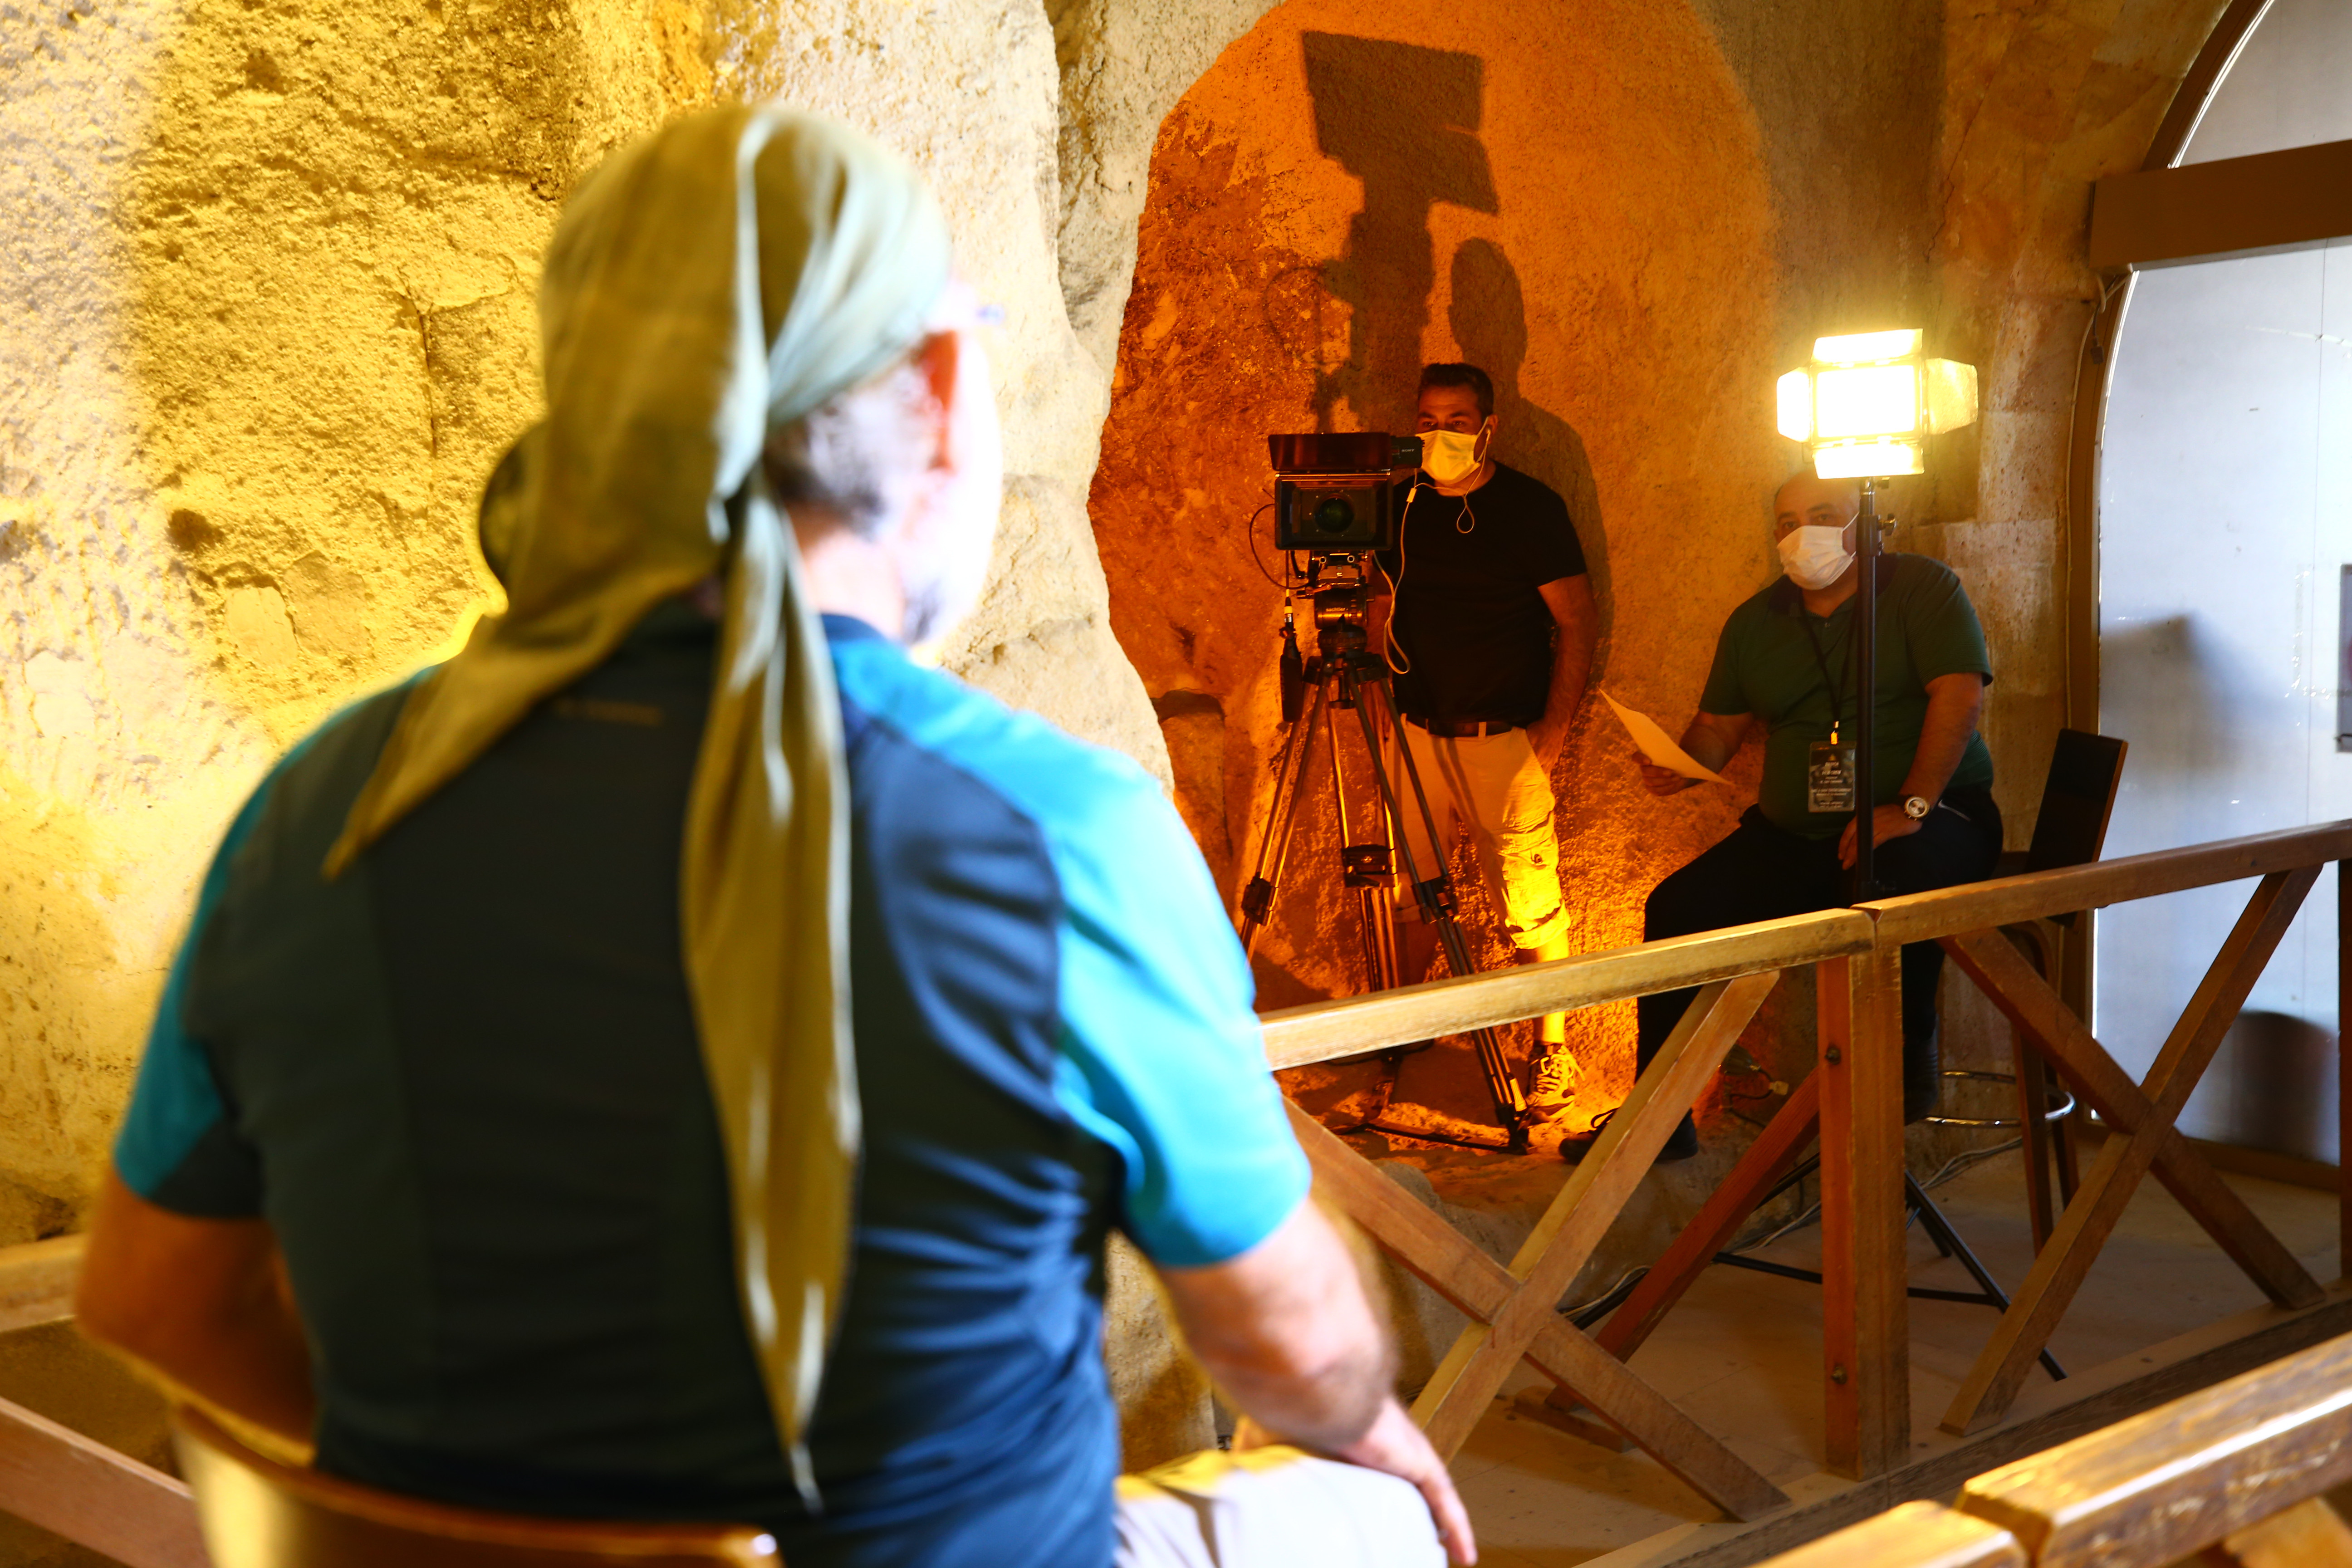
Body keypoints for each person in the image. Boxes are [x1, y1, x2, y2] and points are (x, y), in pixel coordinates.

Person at [74, 108, 1473, 1568]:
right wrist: (1360, 1411)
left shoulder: (327, 805)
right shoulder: (1056, 836)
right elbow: (1290, 1357)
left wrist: (474, 1525)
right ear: (939, 387)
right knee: (1377, 1504)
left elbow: (154, 1300)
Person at [1573, 473, 1999, 1164]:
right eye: (1786, 521)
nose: (1801, 532)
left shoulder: (1921, 588)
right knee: (1679, 907)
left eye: (1823, 514)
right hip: (1796, 835)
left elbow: (1960, 697)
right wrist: (1680, 762)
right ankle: (1661, 1116)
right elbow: (1719, 725)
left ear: (1861, 523)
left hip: (1936, 816)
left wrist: (1912, 804)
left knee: (1886, 885)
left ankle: (1902, 1067)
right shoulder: (1756, 621)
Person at [1374, 363, 1597, 1115]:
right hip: (1415, 736)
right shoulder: (1400, 506)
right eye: (1429, 418)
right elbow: (1381, 605)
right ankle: (1402, 1033)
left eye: (1459, 420)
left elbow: (1575, 620)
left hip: (1505, 738)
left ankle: (1553, 1049)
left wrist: (1555, 730)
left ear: (1488, 426)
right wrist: (1383, 712)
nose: (1441, 434)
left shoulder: (1530, 508)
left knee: (1531, 905)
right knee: (1412, 897)